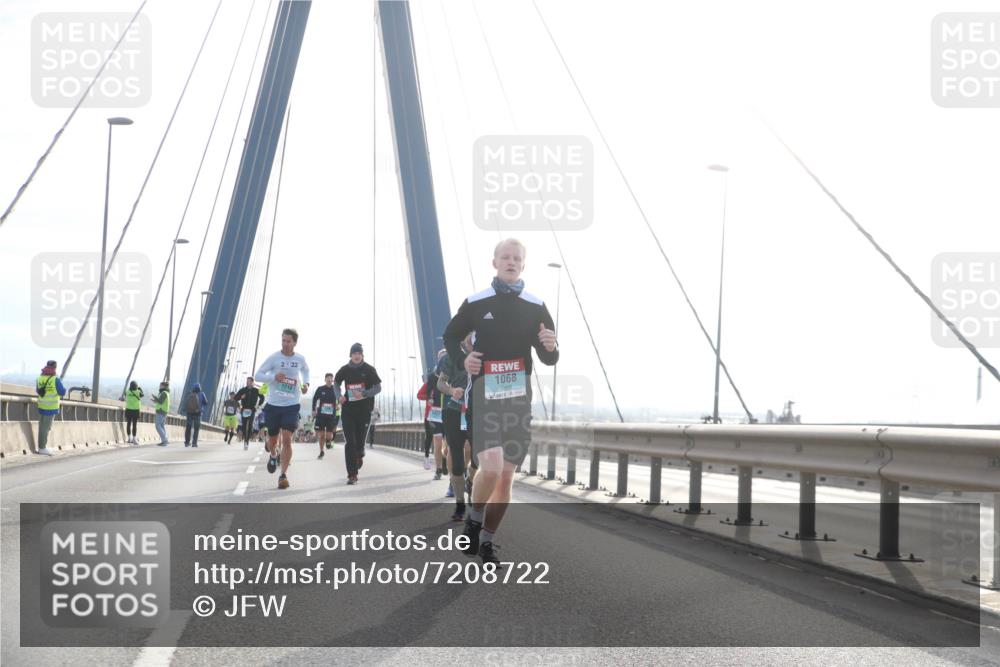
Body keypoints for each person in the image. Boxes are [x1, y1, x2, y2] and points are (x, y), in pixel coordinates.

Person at [443, 238, 558, 565]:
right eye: (505, 257)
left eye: (516, 258)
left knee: (506, 476)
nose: (511, 262)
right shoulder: (477, 302)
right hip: (484, 396)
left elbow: (549, 357)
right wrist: (464, 360)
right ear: (494, 263)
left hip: (518, 401)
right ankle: (473, 520)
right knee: (490, 466)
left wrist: (551, 346)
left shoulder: (536, 306)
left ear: (523, 264)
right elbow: (451, 336)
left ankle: (487, 542)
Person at [254, 328, 310, 490]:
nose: (285, 344)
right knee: (272, 441)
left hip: (291, 405)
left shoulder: (300, 359)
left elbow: (306, 371)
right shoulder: (274, 358)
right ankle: (273, 455)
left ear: (294, 343)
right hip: (273, 405)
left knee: (286, 438)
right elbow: (258, 375)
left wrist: (306, 384)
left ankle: (283, 475)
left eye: (288, 341)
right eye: (283, 340)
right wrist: (273, 377)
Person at [436, 335, 474, 521]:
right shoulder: (452, 357)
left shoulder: (486, 354)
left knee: (477, 458)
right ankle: (460, 503)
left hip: (479, 414)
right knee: (457, 460)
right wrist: (452, 391)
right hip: (454, 412)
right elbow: (440, 383)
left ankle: (472, 482)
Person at [334, 343, 381, 485]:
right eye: (354, 353)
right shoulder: (344, 370)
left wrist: (366, 393)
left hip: (364, 411)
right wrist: (339, 396)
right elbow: (336, 383)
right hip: (348, 410)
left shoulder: (369, 369)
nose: (356, 355)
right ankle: (352, 475)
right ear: (350, 355)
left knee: (359, 444)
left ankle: (360, 454)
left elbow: (378, 387)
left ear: (362, 355)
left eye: (359, 353)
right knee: (350, 443)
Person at [35, 360, 66, 456]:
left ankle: (41, 447)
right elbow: (62, 392)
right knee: (46, 428)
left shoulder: (39, 378)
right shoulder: (55, 379)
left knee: (41, 427)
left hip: (41, 406)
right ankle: (42, 448)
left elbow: (37, 390)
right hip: (51, 407)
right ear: (55, 368)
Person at [312, 373, 341, 459]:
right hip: (321, 415)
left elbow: (340, 398)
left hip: (331, 416)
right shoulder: (320, 389)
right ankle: (321, 451)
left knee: (329, 435)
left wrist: (339, 404)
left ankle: (328, 441)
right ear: (325, 380)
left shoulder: (336, 389)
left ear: (332, 380)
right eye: (327, 378)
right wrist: (314, 410)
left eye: (331, 378)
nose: (329, 380)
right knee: (321, 436)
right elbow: (314, 399)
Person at [234, 376, 264, 451]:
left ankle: (247, 441)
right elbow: (235, 398)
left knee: (250, 425)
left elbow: (262, 397)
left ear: (252, 382)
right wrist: (241, 397)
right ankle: (245, 439)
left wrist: (259, 405)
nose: (247, 382)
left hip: (252, 410)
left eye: (249, 381)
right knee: (244, 426)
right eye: (247, 381)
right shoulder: (243, 390)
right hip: (244, 409)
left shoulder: (256, 390)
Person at [416, 379, 435, 470]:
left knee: (443, 439)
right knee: (429, 437)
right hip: (429, 416)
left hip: (443, 416)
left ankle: (442, 462)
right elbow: (419, 395)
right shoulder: (429, 383)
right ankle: (426, 457)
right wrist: (428, 398)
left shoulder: (447, 382)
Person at [184, 384, 208, 448]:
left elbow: (185, 402)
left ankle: (187, 442)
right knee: (196, 429)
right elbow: (206, 402)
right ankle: (194, 443)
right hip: (198, 413)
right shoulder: (202, 394)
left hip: (189, 413)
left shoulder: (189, 394)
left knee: (188, 428)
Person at [153, 381, 170, 445]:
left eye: (160, 385)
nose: (159, 386)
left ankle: (165, 440)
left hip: (161, 410)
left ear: (163, 386)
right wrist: (155, 400)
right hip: (164, 411)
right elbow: (161, 401)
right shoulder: (166, 392)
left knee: (158, 426)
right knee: (162, 426)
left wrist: (155, 398)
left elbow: (160, 401)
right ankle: (165, 440)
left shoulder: (164, 393)